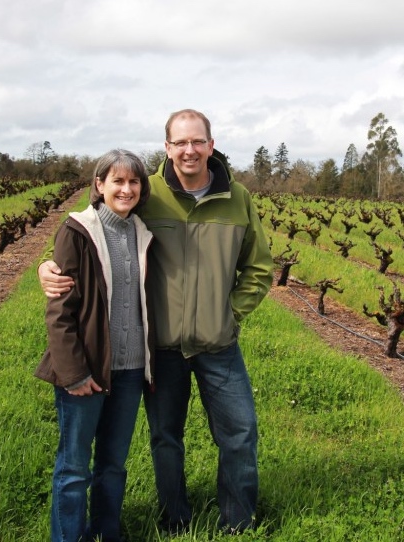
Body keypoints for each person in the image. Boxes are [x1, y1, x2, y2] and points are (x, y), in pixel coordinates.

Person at [39, 109, 274, 535]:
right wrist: (49, 267)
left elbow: (258, 268)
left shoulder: (238, 198)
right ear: (166, 147)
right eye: (180, 142)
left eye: (197, 141)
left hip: (218, 344)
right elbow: (98, 231)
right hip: (160, 346)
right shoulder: (150, 195)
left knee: (240, 432)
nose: (189, 150)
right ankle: (175, 519)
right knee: (166, 437)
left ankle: (239, 521)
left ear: (211, 145)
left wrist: (230, 312)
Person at [35, 148, 154, 542]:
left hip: (131, 369)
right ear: (99, 185)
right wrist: (73, 374)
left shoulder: (143, 231)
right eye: (117, 181)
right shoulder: (77, 231)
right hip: (85, 369)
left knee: (114, 464)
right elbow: (60, 312)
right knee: (73, 468)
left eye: (134, 181)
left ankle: (107, 533)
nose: (126, 188)